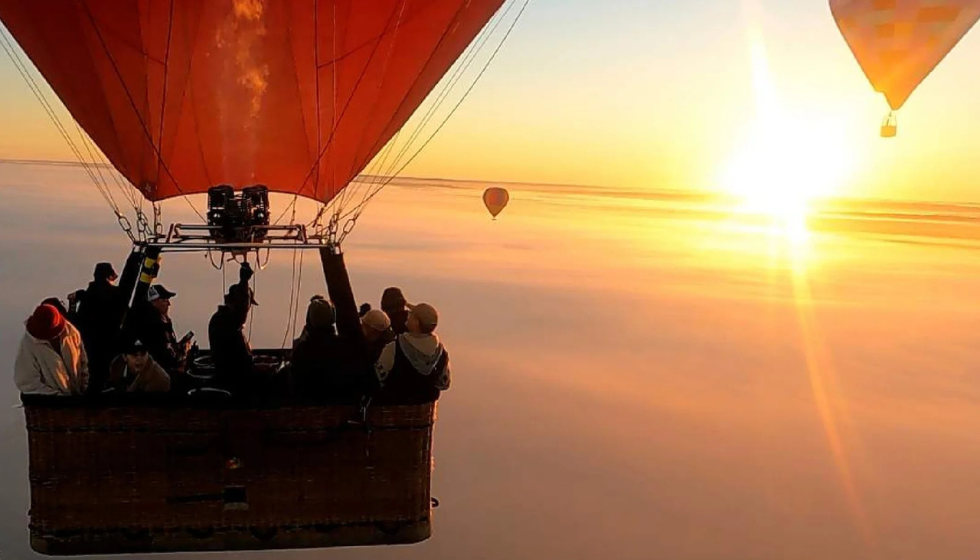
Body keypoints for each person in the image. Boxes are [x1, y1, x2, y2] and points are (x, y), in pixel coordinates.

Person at [374, 302, 450, 402]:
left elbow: (377, 377)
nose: (407, 315)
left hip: (395, 409)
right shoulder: (441, 352)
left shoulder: (394, 347)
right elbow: (444, 384)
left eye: (411, 314)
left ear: (416, 323)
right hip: (425, 411)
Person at [291, 296, 362, 396]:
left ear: (309, 320)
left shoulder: (303, 350)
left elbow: (296, 384)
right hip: (341, 404)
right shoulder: (345, 347)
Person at [14, 303, 89, 395]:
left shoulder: (71, 333)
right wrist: (56, 396)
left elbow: (83, 362)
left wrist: (84, 387)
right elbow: (27, 383)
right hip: (48, 404)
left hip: (77, 397)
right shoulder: (29, 345)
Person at [72, 262, 122, 391]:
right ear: (110, 276)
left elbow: (77, 322)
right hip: (109, 344)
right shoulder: (116, 295)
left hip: (89, 345)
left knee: (93, 379)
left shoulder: (86, 297)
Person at [208, 282, 258, 394]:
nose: (248, 309)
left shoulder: (220, 319)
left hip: (229, 374)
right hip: (233, 379)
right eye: (247, 305)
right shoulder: (227, 322)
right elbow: (239, 359)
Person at [130, 284, 189, 373]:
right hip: (160, 373)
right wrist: (184, 352)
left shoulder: (155, 321)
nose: (169, 304)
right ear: (154, 301)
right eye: (165, 300)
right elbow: (166, 356)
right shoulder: (155, 324)